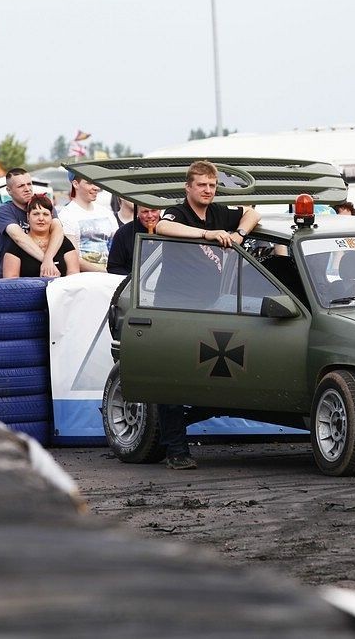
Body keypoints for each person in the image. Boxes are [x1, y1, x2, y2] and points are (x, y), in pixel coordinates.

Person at [154, 160, 261, 470]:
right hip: (173, 305)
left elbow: (253, 213)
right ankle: (176, 450)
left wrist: (238, 233)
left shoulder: (219, 212)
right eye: (201, 185)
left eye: (212, 185)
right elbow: (162, 227)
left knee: (209, 369)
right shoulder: (178, 212)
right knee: (172, 379)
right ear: (188, 187)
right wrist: (207, 234)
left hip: (210, 304)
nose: (208, 190)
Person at [0, 168, 66, 277]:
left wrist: (48, 261)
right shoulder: (5, 210)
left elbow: (58, 230)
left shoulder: (44, 205)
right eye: (21, 186)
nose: (27, 189)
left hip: (48, 272)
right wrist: (47, 262)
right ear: (9, 190)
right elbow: (19, 237)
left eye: (29, 184)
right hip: (16, 275)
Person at [2, 195, 80, 277]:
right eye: (36, 214)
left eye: (46, 214)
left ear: (52, 217)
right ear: (28, 217)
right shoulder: (15, 246)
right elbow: (10, 279)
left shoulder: (64, 242)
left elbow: (74, 274)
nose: (41, 218)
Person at [58, 173, 119, 272]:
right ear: (75, 184)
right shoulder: (66, 215)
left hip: (113, 274)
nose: (96, 188)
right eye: (89, 183)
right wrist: (103, 273)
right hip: (85, 278)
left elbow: (118, 247)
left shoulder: (106, 213)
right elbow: (73, 258)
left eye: (96, 182)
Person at [107, 205, 161, 275]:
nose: (150, 216)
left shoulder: (170, 230)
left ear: (160, 211)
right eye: (145, 212)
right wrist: (133, 279)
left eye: (154, 211)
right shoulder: (123, 232)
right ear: (137, 212)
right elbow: (114, 267)